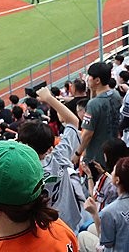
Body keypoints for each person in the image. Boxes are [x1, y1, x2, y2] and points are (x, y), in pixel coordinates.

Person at [18, 85, 84, 229]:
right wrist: (49, 98)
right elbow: (73, 121)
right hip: (69, 220)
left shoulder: (21, 172)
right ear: (49, 147)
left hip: (44, 230)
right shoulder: (59, 156)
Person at [77, 61, 122, 166]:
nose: (88, 79)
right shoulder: (116, 95)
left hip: (96, 155)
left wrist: (77, 153)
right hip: (113, 149)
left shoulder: (94, 104)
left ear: (97, 80)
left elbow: (88, 134)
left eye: (90, 76)